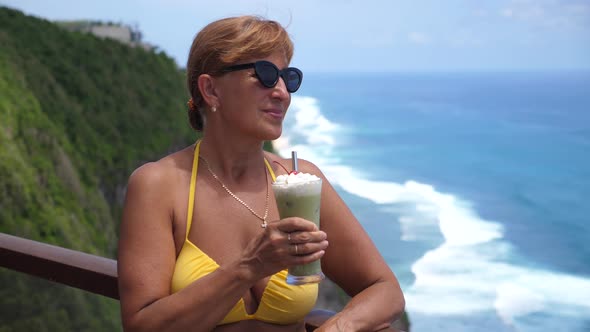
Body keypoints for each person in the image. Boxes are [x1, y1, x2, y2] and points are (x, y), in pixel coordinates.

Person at [117, 15, 405, 332]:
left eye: (288, 77)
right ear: (211, 89)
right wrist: (250, 266)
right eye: (266, 76)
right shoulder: (159, 185)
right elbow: (141, 325)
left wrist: (338, 328)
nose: (282, 92)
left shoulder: (300, 180)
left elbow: (385, 289)